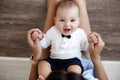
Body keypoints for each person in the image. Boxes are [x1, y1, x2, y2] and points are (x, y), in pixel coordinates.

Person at [27, 0, 108, 80]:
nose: (67, 24)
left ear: (78, 21)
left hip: (72, 61)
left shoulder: (79, 33)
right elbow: (45, 42)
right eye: (62, 20)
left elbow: (85, 47)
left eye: (72, 20)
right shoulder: (53, 31)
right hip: (54, 60)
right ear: (55, 20)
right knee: (43, 64)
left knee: (75, 69)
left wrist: (89, 43)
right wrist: (41, 38)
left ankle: (49, 78)